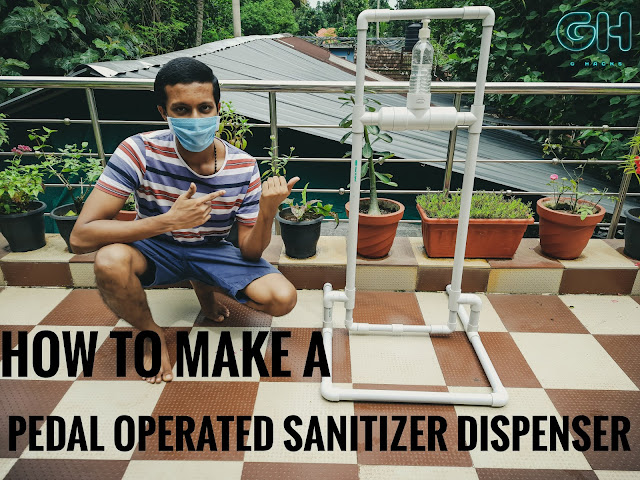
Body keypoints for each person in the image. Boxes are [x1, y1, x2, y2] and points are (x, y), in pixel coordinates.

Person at [70, 57, 298, 384]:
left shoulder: (244, 165)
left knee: (282, 298)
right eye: (181, 110)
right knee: (109, 261)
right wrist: (167, 222)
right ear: (164, 112)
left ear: (218, 108)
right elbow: (80, 238)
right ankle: (150, 335)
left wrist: (267, 210)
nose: (195, 119)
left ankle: (202, 284)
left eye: (205, 108)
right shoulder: (138, 151)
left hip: (212, 249)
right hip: (154, 247)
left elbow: (250, 253)